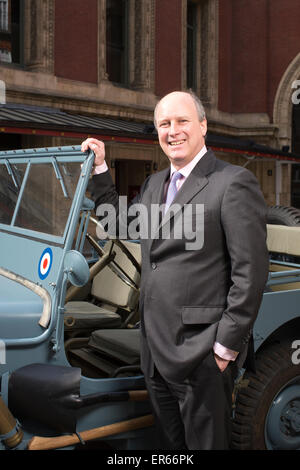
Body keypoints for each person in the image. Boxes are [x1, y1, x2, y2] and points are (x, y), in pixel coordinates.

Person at [81, 90, 269, 450]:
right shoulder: (154, 184)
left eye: (182, 121)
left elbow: (251, 274)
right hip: (154, 348)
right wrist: (101, 169)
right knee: (170, 445)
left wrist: (224, 349)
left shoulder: (232, 183)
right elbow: (119, 223)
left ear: (203, 125)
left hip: (201, 352)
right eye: (164, 124)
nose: (173, 131)